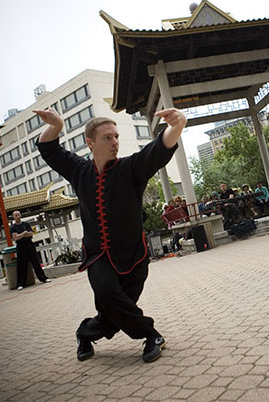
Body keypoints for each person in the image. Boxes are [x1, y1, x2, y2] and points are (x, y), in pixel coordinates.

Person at [34, 105, 186, 364]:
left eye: (116, 136)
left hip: (134, 257)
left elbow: (158, 150)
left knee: (116, 313)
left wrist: (177, 125)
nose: (115, 142)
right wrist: (57, 127)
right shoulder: (79, 170)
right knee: (107, 294)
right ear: (90, 143)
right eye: (107, 137)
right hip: (98, 256)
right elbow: (49, 148)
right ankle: (152, 335)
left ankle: (84, 333)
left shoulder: (131, 168)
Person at [9, 210, 51, 290]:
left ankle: (43, 278)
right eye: (16, 215)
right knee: (21, 265)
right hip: (21, 246)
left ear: (20, 215)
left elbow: (31, 234)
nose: (17, 216)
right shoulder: (13, 227)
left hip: (30, 244)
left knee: (35, 262)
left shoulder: (26, 224)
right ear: (13, 217)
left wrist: (21, 235)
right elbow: (16, 238)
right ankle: (20, 284)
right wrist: (24, 233)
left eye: (18, 215)